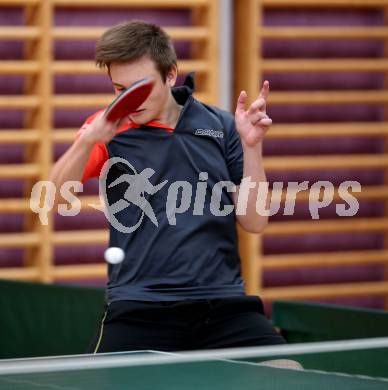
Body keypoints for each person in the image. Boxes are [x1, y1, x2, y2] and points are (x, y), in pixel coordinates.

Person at [50, 20, 285, 353]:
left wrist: (251, 146)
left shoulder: (220, 126)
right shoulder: (106, 129)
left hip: (222, 306)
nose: (131, 101)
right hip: (139, 308)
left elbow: (255, 221)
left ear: (170, 74)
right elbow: (54, 197)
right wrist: (86, 143)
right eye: (120, 90)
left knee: (288, 373)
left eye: (141, 87)